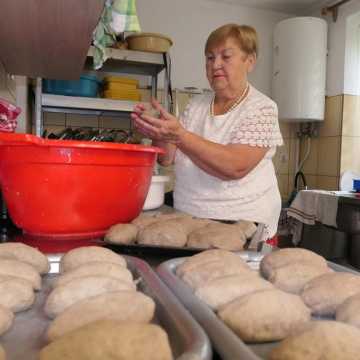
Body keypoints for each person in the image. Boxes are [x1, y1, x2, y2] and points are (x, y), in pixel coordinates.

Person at [131, 23, 283, 242]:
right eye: (210, 58)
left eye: (226, 56)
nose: (216, 65)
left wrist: (179, 135)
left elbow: (235, 166)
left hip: (244, 228)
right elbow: (167, 158)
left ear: (250, 61)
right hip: (189, 220)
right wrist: (158, 130)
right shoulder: (196, 105)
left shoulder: (262, 108)